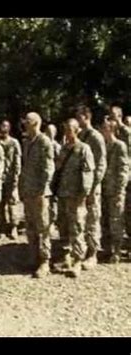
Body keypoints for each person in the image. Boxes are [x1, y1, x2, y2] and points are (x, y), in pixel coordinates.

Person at [53, 119, 95, 278]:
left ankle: (78, 260)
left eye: (70, 129)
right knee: (63, 227)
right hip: (63, 194)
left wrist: (83, 195)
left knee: (77, 228)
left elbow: (88, 173)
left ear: (77, 130)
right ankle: (66, 257)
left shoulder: (84, 148)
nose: (67, 132)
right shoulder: (64, 148)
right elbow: (57, 170)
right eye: (65, 129)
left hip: (75, 196)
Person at [19, 112, 55, 278]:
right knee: (31, 226)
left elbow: (48, 169)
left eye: (27, 121)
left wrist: (42, 190)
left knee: (43, 227)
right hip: (28, 190)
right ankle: (33, 257)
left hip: (39, 193)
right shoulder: (27, 142)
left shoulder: (44, 142)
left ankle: (44, 261)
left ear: (35, 123)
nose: (25, 124)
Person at [75, 105, 107, 270]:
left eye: (79, 116)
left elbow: (101, 164)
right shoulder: (79, 135)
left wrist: (92, 186)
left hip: (92, 187)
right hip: (79, 186)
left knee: (93, 219)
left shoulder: (95, 137)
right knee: (81, 219)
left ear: (87, 117)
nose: (77, 119)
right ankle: (80, 251)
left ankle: (93, 254)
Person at [101, 119, 129, 263]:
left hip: (115, 190)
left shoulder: (120, 146)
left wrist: (120, 189)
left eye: (105, 127)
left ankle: (117, 250)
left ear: (111, 129)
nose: (102, 130)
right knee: (105, 220)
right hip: (104, 189)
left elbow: (124, 169)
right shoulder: (103, 146)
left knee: (116, 220)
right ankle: (107, 248)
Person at [108, 105, 131, 255]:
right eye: (110, 115)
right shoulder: (113, 130)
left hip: (127, 177)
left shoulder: (126, 132)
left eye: (114, 115)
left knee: (126, 211)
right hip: (116, 176)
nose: (111, 117)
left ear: (120, 116)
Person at [0, 120, 22, 239]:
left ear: (9, 128)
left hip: (10, 177)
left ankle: (13, 227)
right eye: (2, 126)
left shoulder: (14, 143)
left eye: (6, 126)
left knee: (12, 203)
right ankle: (1, 227)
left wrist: (16, 176)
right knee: (0, 204)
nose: (3, 128)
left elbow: (17, 161)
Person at [45, 124, 61, 230]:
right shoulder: (43, 144)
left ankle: (53, 221)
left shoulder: (56, 146)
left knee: (54, 201)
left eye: (52, 131)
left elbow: (60, 161)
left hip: (55, 177)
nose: (50, 133)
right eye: (48, 131)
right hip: (46, 178)